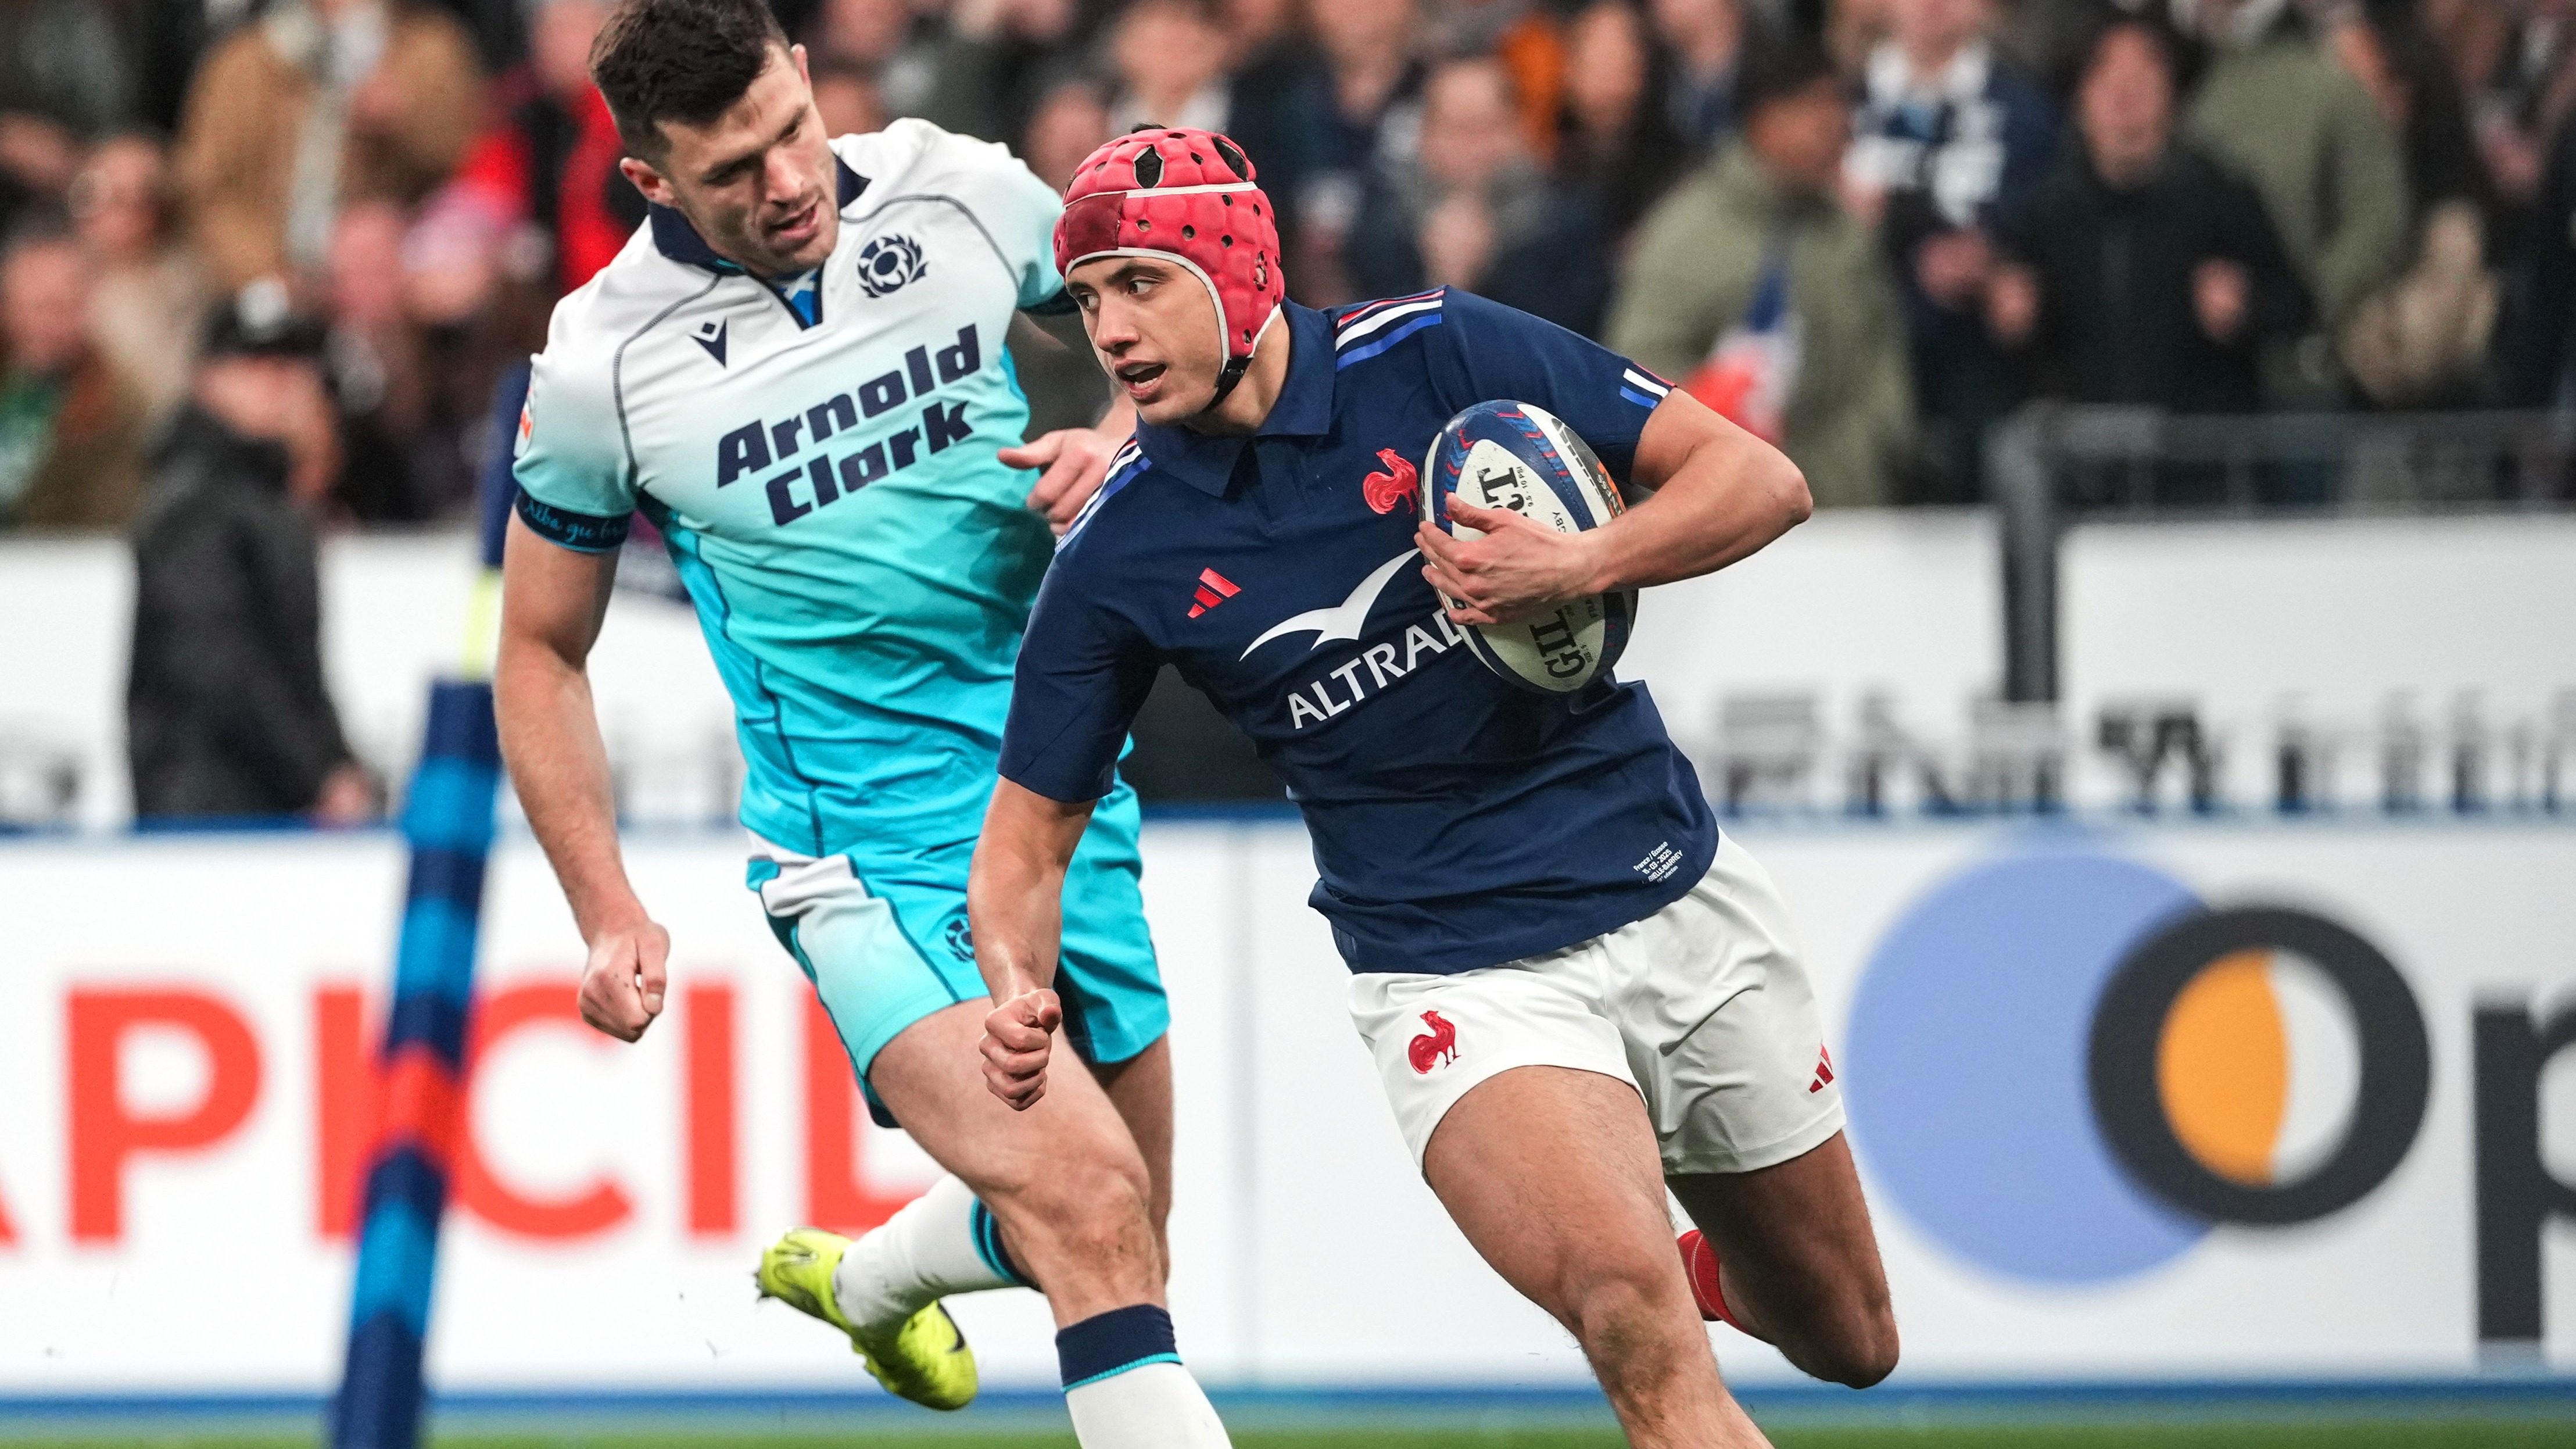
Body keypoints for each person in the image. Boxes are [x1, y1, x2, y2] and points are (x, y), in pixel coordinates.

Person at [970, 124, 1896, 1449]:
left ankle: (1696, 1270)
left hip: (1671, 891)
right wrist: (1014, 982)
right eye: (1088, 298)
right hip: (1457, 972)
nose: (1109, 331)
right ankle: (1649, 1279)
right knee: (1629, 1316)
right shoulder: (1119, 552)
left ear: (1237, 269)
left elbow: (1761, 480)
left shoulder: (1438, 351)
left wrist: (1579, 564)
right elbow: (1024, 845)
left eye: (1139, 284)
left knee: (1848, 1335)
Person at [494, 2, 1228, 1444]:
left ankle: (873, 1280)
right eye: (732, 171)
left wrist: (1120, 443)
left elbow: (1188, 310)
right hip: (863, 854)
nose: (786, 182)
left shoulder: (959, 190)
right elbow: (537, 650)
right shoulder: (600, 365)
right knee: (1089, 1204)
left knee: (1123, 1225)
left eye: (791, 129)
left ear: (804, 77)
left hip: (1060, 796)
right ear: (649, 180)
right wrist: (606, 907)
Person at [1607, 40, 1914, 508]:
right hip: (1715, 510)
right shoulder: (1685, 234)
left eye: (1841, 114)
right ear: (1765, 120)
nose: (1835, 132)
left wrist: (1846, 466)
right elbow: (1640, 367)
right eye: (1816, 113)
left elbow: (1879, 372)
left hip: (1846, 509)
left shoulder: (1844, 236)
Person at [126, 283, 373, 823]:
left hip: (262, 801)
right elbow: (220, 665)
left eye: (291, 363)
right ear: (207, 379)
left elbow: (297, 670)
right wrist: (320, 774)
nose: (278, 382)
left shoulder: (269, 498)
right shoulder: (192, 504)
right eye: (254, 363)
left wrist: (338, 765)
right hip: (208, 807)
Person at [1985, 14, 2310, 416]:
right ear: (2080, 99)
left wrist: (2246, 306)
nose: (2125, 95)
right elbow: (2013, 326)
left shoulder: (2221, 196)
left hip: (2198, 437)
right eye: (2106, 76)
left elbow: (2295, 305)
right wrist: (2014, 314)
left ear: (2174, 94)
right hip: (2084, 438)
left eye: (2144, 76)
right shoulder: (2046, 209)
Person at [1843, 0, 2056, 500]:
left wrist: (2003, 267)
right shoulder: (1834, 105)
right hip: (1856, 363)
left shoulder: (2028, 112)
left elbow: (2056, 228)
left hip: (1985, 374)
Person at [172, 0, 487, 294]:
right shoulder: (244, 63)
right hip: (259, 283)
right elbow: (206, 192)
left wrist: (403, 123)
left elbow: (468, 172)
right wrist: (266, 271)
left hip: (393, 278)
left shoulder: (429, 51)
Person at [2181, 0, 2406, 404]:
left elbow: (2376, 215)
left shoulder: (2325, 85)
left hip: (2303, 362)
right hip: (2195, 359)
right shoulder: (2184, 78)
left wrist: (2311, 297)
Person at [1349, 56, 1611, 335]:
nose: (1470, 148)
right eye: (1454, 129)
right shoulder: (1383, 217)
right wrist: (1438, 280)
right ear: (1425, 135)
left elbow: (1569, 335)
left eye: (1486, 128)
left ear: (1518, 131)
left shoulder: (1567, 222)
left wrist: (1483, 273)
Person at [0, 215, 151, 531]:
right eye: (40, 306)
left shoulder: (118, 402)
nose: (53, 324)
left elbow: (107, 512)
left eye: (67, 306)